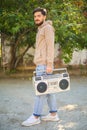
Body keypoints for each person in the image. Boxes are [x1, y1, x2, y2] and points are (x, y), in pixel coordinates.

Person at [22, 7, 59, 127]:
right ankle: (53, 114)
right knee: (49, 91)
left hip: (44, 65)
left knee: (41, 91)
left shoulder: (47, 28)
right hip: (41, 64)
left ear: (44, 17)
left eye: (38, 16)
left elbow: (50, 47)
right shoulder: (41, 29)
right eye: (35, 16)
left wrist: (48, 64)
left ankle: (36, 116)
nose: (36, 18)